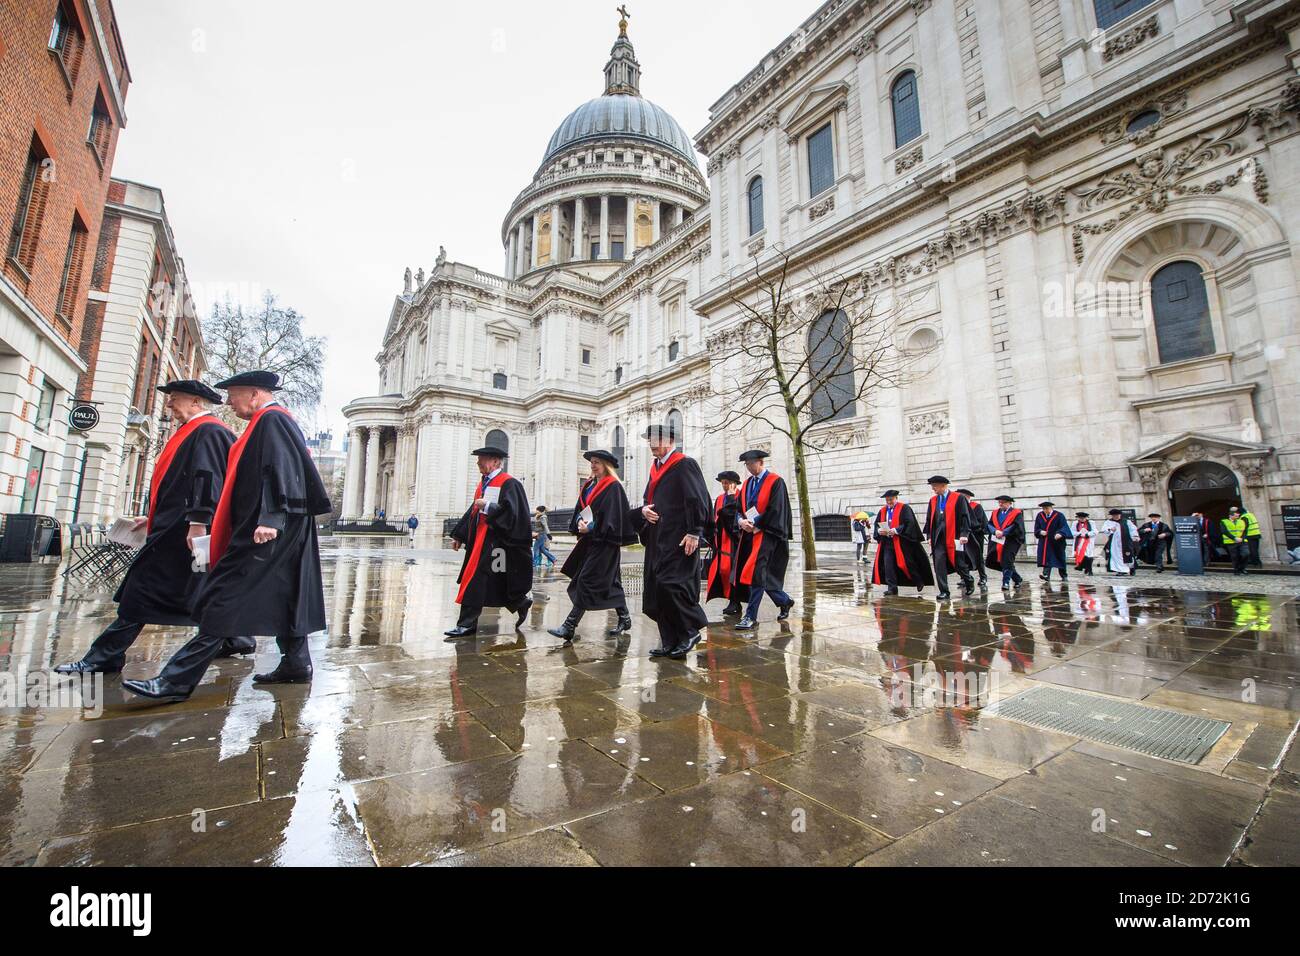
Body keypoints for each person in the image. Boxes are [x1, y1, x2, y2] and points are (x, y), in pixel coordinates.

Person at [122, 371, 331, 702]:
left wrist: (271, 518)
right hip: (274, 524)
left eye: (233, 395)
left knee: (222, 597)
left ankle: (175, 681)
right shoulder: (267, 420)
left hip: (268, 527)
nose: (229, 403)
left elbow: (280, 470)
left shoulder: (272, 420)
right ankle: (296, 663)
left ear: (254, 393)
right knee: (287, 590)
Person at [56, 380, 244, 676]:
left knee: (140, 591)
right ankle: (236, 638)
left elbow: (206, 481)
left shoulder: (208, 431)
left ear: (196, 402)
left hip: (181, 532)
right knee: (202, 588)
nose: (169, 404)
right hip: (172, 528)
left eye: (175, 398)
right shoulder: (194, 431)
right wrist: (152, 517)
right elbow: (179, 484)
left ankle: (104, 656)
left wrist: (197, 523)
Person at [628, 423, 711, 660]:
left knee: (671, 585)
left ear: (671, 440)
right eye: (650, 440)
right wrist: (643, 511)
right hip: (657, 537)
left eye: (657, 439)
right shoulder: (655, 468)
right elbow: (648, 499)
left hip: (679, 538)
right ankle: (669, 641)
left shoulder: (684, 464)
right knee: (657, 588)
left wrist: (695, 531)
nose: (652, 444)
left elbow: (697, 499)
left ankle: (690, 630)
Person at [444, 446, 534, 638]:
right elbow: (474, 510)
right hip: (480, 540)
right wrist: (460, 535)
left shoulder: (509, 484)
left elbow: (513, 514)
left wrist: (489, 506)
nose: (478, 463)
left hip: (498, 542)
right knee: (494, 581)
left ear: (495, 461)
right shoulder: (484, 483)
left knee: (476, 579)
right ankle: (520, 602)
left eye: (482, 459)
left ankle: (466, 624)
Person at [548, 450, 637, 642]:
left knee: (586, 580)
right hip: (590, 541)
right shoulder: (589, 485)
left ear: (606, 465)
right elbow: (582, 509)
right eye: (592, 463)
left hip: (606, 542)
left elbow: (614, 516)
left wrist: (594, 528)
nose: (593, 465)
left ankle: (569, 625)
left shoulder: (613, 487)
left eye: (597, 462)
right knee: (612, 581)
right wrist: (580, 525)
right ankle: (625, 617)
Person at [733, 450, 795, 630]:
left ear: (760, 462)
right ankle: (784, 600)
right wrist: (740, 521)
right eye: (746, 464)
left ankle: (750, 616)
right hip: (749, 535)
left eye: (751, 463)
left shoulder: (775, 482)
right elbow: (738, 509)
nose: (749, 467)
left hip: (768, 534)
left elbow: (776, 509)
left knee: (756, 574)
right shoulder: (746, 485)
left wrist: (755, 523)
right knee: (761, 575)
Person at [922, 476, 977, 599]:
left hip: (954, 537)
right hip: (938, 538)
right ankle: (944, 591)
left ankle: (968, 580)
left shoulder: (958, 498)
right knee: (939, 564)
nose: (933, 489)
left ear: (943, 485)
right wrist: (930, 536)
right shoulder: (933, 501)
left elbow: (965, 517)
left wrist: (964, 534)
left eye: (935, 486)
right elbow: (929, 519)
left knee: (959, 564)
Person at [871, 490, 934, 595]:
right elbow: (877, 524)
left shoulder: (904, 508)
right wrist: (879, 531)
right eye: (887, 500)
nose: (889, 502)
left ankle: (919, 581)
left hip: (902, 542)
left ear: (896, 498)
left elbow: (909, 523)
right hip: (887, 542)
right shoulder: (882, 511)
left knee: (907, 564)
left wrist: (896, 530)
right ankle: (892, 588)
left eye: (891, 499)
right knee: (888, 565)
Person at [706, 471, 746, 617]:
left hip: (735, 541)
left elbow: (733, 516)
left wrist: (730, 496)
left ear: (734, 483)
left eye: (727, 482)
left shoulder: (740, 496)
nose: (724, 485)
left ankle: (735, 602)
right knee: (723, 570)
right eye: (723, 482)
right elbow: (715, 517)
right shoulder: (720, 498)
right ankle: (732, 600)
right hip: (721, 540)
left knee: (733, 571)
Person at [986, 495, 1026, 590]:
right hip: (997, 540)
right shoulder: (995, 513)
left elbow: (1016, 526)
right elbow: (989, 524)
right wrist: (995, 531)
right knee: (993, 560)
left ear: (1009, 503)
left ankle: (1006, 582)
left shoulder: (1016, 513)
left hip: (1011, 541)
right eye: (999, 502)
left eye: (1003, 502)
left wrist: (1004, 532)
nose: (1000, 504)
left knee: (1007, 560)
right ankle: (1017, 578)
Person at [956, 489, 989, 590]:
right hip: (962, 536)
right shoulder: (958, 507)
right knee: (963, 557)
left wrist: (969, 530)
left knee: (978, 556)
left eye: (962, 496)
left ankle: (983, 577)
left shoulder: (976, 507)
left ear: (968, 497)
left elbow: (980, 521)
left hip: (975, 535)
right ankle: (964, 578)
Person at [1034, 501, 1072, 582]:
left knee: (1060, 558)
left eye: (1047, 508)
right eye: (1043, 509)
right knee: (1047, 557)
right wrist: (1040, 531)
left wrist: (1060, 533)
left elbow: (1064, 526)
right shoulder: (1040, 516)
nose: (1045, 510)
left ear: (1051, 508)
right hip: (1045, 541)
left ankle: (1064, 575)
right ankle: (1046, 575)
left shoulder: (1059, 515)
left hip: (1057, 541)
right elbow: (1037, 528)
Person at [1101, 509, 1139, 576]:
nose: (1116, 516)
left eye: (1117, 515)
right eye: (1114, 515)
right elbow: (1104, 530)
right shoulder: (1108, 522)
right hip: (1115, 542)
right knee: (1117, 556)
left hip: (1126, 541)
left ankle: (1131, 568)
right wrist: (1110, 529)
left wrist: (1135, 536)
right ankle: (1120, 570)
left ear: (1120, 515)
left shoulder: (1126, 521)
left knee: (1129, 555)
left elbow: (1133, 529)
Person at [1221, 506, 1251, 576]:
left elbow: (1245, 531)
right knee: (1235, 557)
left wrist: (1242, 538)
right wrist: (1234, 538)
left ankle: (1242, 568)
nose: (1238, 515)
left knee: (1246, 554)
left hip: (1242, 541)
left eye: (1238, 514)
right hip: (1231, 542)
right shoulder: (1224, 522)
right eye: (1236, 514)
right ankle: (1236, 570)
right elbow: (1224, 531)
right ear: (1230, 515)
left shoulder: (1242, 521)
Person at [1073, 512, 1097, 576]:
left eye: (1083, 518)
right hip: (1079, 541)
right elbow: (1072, 531)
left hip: (1088, 541)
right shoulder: (1075, 523)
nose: (1082, 519)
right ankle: (1084, 567)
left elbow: (1095, 531)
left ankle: (1089, 570)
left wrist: (1087, 534)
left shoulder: (1091, 523)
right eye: (1080, 518)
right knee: (1082, 555)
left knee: (1089, 556)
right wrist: (1079, 533)